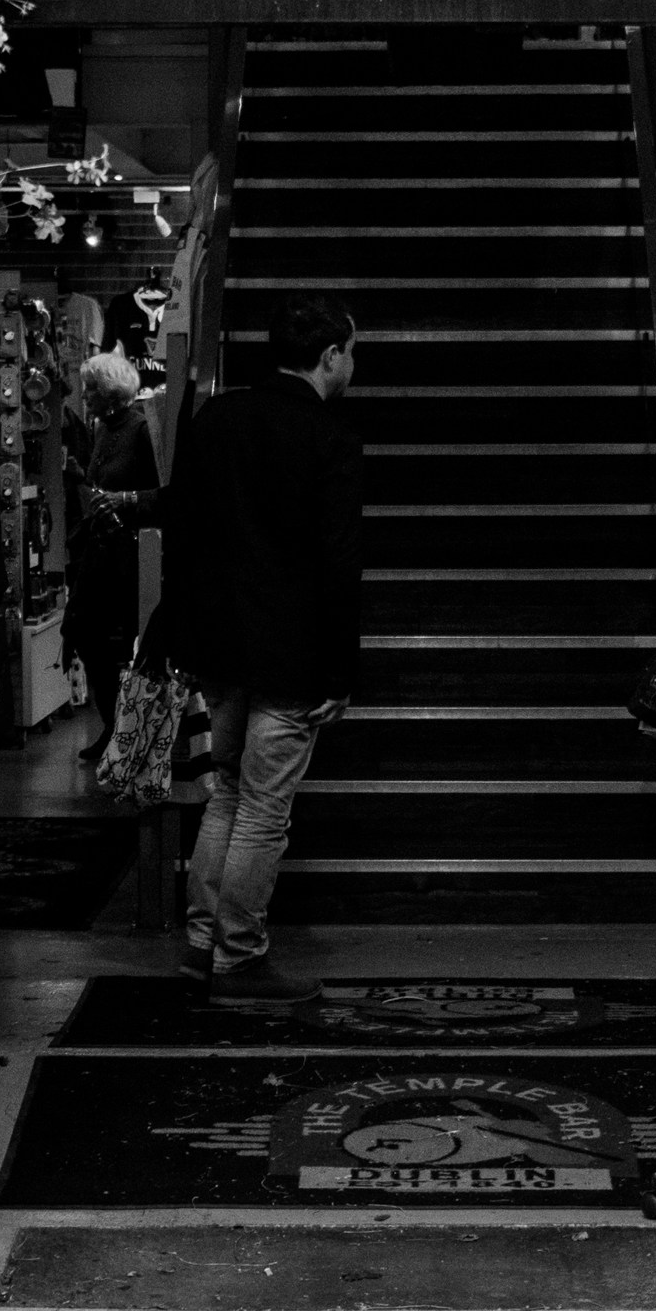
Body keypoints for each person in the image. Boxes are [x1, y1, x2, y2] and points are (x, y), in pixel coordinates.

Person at [158, 294, 362, 1005]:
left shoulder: (217, 419)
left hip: (219, 644)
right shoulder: (328, 436)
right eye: (351, 352)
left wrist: (179, 630)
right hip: (290, 651)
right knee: (264, 810)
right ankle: (240, 957)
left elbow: (181, 531)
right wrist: (341, 666)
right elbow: (338, 560)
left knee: (227, 794)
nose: (352, 366)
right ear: (330, 355)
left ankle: (199, 943)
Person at [64, 352, 161, 761]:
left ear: (109, 392)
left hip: (131, 553)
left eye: (90, 389)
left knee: (131, 646)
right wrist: (81, 480)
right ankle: (113, 725)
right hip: (100, 551)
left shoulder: (142, 429)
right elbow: (98, 482)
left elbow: (162, 495)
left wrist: (122, 501)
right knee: (83, 633)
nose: (83, 395)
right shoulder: (102, 429)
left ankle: (129, 733)